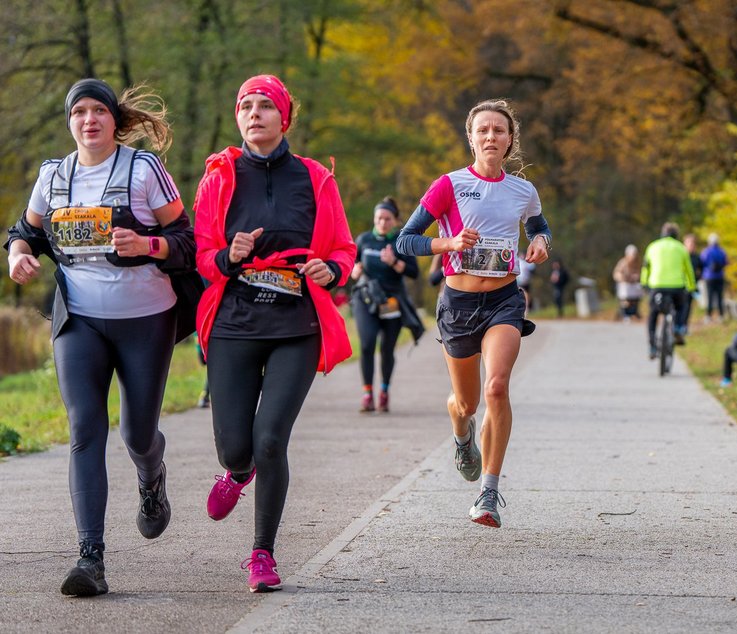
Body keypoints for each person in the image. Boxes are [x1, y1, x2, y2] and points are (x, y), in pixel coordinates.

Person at [5, 78, 195, 596]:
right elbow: (25, 230)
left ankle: (152, 478)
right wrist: (19, 254)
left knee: (137, 435)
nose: (88, 120)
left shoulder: (143, 168)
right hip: (79, 320)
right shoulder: (53, 175)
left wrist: (148, 243)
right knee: (85, 428)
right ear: (70, 122)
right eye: (79, 112)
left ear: (115, 119)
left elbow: (187, 240)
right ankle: (90, 558)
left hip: (146, 318)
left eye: (98, 111)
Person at [194, 75, 356, 592]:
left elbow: (344, 249)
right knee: (235, 448)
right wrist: (227, 256)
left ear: (284, 118)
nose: (256, 113)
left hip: (295, 326)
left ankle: (262, 553)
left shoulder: (315, 178)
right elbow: (200, 254)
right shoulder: (218, 177)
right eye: (247, 105)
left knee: (270, 442)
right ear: (237, 117)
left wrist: (333, 270)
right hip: (234, 325)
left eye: (267, 105)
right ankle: (235, 473)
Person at [396, 98, 552, 528]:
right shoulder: (448, 185)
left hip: (504, 299)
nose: (490, 137)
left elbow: (538, 226)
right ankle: (462, 435)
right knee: (466, 402)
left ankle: (489, 492)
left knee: (497, 389)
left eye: (498, 131)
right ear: (471, 137)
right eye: (482, 130)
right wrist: (448, 245)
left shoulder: (523, 190)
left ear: (509, 140)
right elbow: (405, 240)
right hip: (459, 304)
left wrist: (541, 244)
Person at [350, 196, 424, 413]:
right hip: (366, 298)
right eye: (379, 218)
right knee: (366, 343)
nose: (382, 222)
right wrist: (354, 270)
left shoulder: (401, 241)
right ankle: (367, 394)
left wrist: (394, 262)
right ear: (374, 219)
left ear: (395, 220)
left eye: (387, 219)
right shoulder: (363, 240)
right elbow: (350, 262)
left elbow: (414, 272)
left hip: (392, 300)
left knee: (387, 349)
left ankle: (383, 392)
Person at [640, 223, 695, 359]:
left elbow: (646, 268)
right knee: (682, 306)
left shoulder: (652, 246)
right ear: (676, 235)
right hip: (677, 286)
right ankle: (678, 328)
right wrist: (691, 286)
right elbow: (688, 270)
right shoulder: (681, 248)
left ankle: (652, 345)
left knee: (653, 314)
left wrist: (644, 283)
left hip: (657, 285)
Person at [700, 233, 728, 321]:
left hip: (709, 277)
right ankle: (721, 315)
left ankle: (708, 316)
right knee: (720, 297)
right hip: (719, 276)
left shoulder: (706, 251)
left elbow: (702, 262)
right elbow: (725, 262)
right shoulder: (721, 251)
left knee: (709, 297)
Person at [678, 233, 703, 331]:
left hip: (691, 286)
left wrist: (698, 277)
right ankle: (677, 325)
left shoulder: (696, 257)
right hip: (680, 285)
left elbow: (701, 268)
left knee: (687, 307)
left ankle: (684, 326)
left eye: (693, 244)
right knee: (680, 307)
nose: (691, 246)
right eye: (689, 244)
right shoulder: (680, 255)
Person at [612, 244, 643, 321]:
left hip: (634, 284)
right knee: (625, 295)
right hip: (625, 284)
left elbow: (640, 273)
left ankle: (634, 312)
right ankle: (625, 314)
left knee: (638, 291)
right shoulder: (622, 263)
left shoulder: (637, 263)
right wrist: (622, 278)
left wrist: (636, 277)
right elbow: (616, 274)